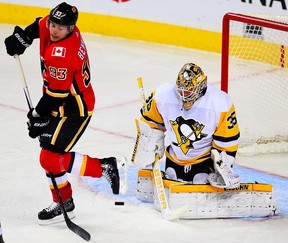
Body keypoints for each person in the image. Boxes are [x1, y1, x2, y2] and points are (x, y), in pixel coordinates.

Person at [4, 2, 120, 223]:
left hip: (75, 110)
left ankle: (103, 167)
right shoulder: (56, 28)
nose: (54, 30)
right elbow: (39, 25)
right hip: (60, 105)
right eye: (53, 24)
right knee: (49, 157)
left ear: (71, 28)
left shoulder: (62, 53)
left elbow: (56, 95)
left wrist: (37, 115)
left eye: (60, 27)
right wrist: (24, 39)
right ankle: (64, 202)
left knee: (49, 157)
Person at [133, 63, 240, 189]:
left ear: (202, 86)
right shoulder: (163, 94)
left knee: (200, 181)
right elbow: (149, 121)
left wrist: (222, 164)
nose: (184, 96)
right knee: (173, 178)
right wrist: (151, 141)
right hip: (174, 159)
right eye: (181, 90)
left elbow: (227, 141)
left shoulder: (220, 103)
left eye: (189, 91)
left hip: (203, 162)